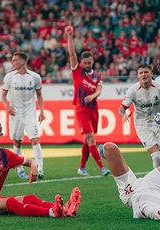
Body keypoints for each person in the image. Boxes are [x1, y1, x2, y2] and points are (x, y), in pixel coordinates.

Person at [0, 108, 81, 217]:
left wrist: (34, 165)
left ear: (0, 135)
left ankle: (65, 208)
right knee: (11, 202)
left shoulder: (5, 155)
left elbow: (29, 161)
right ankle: (52, 212)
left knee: (29, 198)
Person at [64, 25, 110, 177]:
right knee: (91, 139)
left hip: (93, 109)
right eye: (85, 63)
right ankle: (102, 168)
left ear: (92, 62)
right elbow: (71, 53)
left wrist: (93, 95)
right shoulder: (77, 70)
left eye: (89, 63)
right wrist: (70, 36)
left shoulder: (97, 75)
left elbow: (100, 89)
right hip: (81, 109)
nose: (87, 65)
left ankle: (81, 167)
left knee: (87, 140)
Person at [1, 51, 45, 179]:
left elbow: (40, 95)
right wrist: (7, 107)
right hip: (15, 115)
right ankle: (20, 169)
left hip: (30, 114)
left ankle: (40, 169)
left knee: (35, 140)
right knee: (17, 142)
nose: (12, 62)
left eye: (15, 60)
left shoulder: (35, 77)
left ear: (22, 61)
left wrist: (42, 111)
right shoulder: (9, 77)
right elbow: (3, 95)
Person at [119, 64, 160, 169]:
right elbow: (121, 108)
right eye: (141, 73)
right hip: (143, 125)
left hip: (159, 122)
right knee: (156, 157)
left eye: (146, 72)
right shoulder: (132, 91)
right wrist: (124, 115)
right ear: (138, 76)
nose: (144, 75)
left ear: (151, 73)